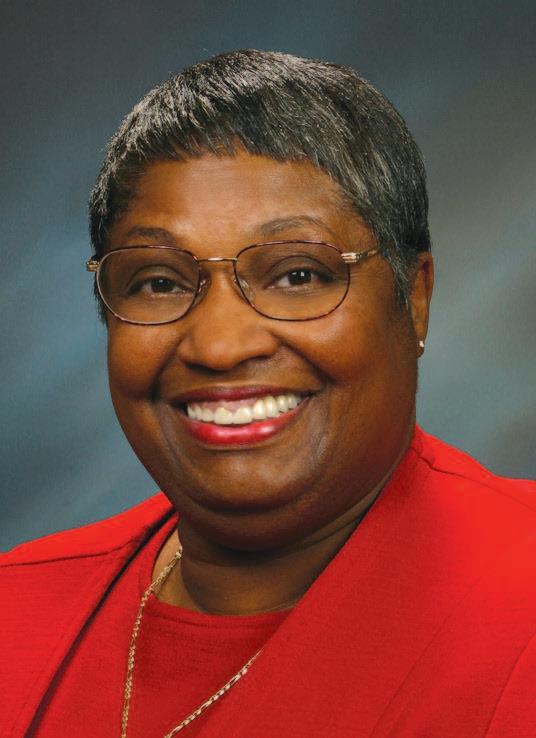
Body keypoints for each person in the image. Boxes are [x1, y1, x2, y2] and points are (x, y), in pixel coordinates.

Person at [1, 49, 535, 738]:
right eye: (159, 282)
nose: (220, 345)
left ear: (416, 298)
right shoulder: (17, 608)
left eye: (298, 275)